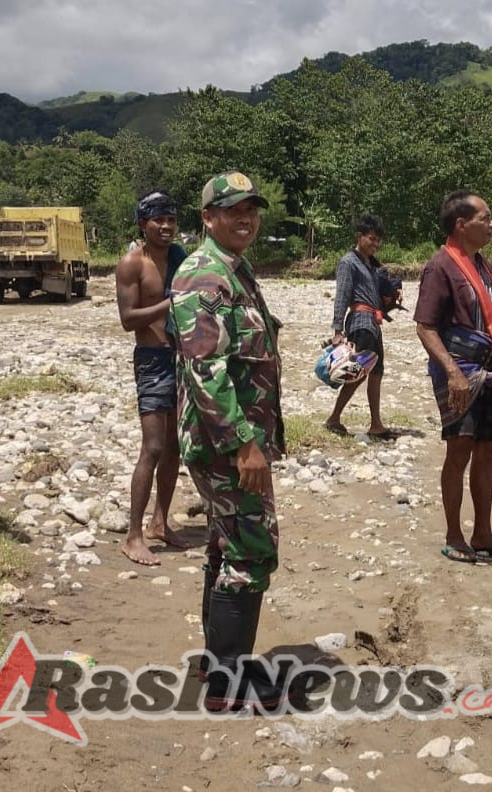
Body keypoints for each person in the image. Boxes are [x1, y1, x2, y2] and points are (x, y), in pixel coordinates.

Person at [169, 171, 288, 711]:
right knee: (251, 547)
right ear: (208, 217)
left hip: (234, 436)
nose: (246, 217)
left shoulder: (234, 271)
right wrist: (244, 444)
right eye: (233, 209)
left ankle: (221, 664)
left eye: (252, 209)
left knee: (226, 542)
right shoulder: (203, 276)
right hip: (225, 442)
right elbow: (206, 371)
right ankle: (226, 684)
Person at [414, 190, 492, 565]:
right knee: (459, 450)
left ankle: (483, 532)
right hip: (461, 374)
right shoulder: (441, 266)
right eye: (486, 218)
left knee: (487, 451)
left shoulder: (482, 265)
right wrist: (453, 373)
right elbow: (425, 327)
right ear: (462, 225)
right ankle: (453, 533)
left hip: (491, 369)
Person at [115, 190, 189, 565]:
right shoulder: (132, 263)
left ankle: (160, 521)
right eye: (158, 220)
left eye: (171, 220)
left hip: (180, 355)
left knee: (175, 446)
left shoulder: (179, 257)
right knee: (154, 446)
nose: (166, 227)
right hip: (151, 359)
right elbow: (128, 320)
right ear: (143, 224)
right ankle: (133, 535)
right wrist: (170, 302)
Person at [324, 214, 393, 438]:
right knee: (358, 372)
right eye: (371, 239)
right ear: (359, 237)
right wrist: (337, 331)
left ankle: (376, 424)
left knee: (377, 373)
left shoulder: (372, 266)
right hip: (360, 323)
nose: (375, 244)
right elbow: (342, 295)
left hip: (374, 323)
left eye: (378, 241)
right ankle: (334, 419)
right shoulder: (348, 262)